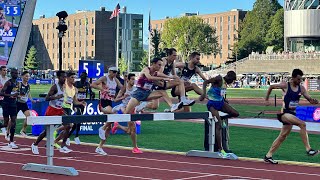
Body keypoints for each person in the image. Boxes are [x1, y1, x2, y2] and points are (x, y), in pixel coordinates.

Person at [264, 69, 319, 164]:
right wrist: (267, 99)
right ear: (293, 78)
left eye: (301, 79)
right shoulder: (286, 85)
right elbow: (271, 86)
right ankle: (308, 149)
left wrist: (314, 101)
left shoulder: (301, 88)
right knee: (302, 124)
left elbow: (309, 99)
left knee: (282, 136)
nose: (299, 81)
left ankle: (268, 155)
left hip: (292, 114)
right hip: (284, 114)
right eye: (298, 79)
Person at [199, 71, 239, 155]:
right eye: (232, 80)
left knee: (235, 113)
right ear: (229, 77)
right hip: (212, 104)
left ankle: (222, 118)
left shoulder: (225, 84)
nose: (232, 82)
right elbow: (205, 82)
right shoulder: (219, 78)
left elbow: (221, 93)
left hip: (220, 103)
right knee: (219, 126)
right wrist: (203, 94)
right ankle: (220, 149)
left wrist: (224, 100)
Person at [31, 71, 66, 154]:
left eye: (65, 77)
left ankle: (61, 144)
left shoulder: (63, 86)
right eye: (62, 77)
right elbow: (46, 98)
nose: (64, 78)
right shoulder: (55, 87)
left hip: (59, 109)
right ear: (58, 77)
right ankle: (35, 144)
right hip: (52, 109)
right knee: (47, 131)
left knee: (69, 125)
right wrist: (56, 97)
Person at [91, 66, 123, 155]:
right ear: (109, 71)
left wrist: (126, 91)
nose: (115, 73)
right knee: (114, 113)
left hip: (110, 102)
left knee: (109, 127)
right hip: (103, 102)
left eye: (116, 72)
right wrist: (102, 89)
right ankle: (102, 128)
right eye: (113, 72)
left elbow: (121, 87)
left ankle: (100, 147)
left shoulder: (115, 80)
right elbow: (93, 84)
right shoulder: (105, 78)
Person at [53, 71, 86, 152]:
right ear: (67, 78)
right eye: (72, 77)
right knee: (69, 125)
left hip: (68, 108)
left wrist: (81, 103)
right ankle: (62, 144)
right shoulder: (64, 86)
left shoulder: (75, 89)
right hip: (62, 107)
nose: (73, 79)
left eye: (74, 77)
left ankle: (55, 141)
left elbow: (75, 101)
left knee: (68, 127)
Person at [66, 71, 94, 145]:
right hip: (76, 103)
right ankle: (74, 136)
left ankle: (72, 136)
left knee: (79, 121)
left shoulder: (87, 84)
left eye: (84, 76)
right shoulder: (76, 83)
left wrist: (91, 96)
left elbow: (91, 92)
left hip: (82, 103)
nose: (83, 78)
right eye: (82, 76)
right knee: (78, 116)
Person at [0, 68, 19, 148]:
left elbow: (15, 92)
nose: (16, 74)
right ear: (11, 74)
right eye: (14, 73)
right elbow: (1, 93)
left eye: (17, 73)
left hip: (13, 104)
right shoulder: (8, 83)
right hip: (6, 104)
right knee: (5, 123)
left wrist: (19, 94)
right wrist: (10, 95)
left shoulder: (17, 83)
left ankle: (11, 141)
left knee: (14, 122)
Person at [18, 71, 37, 137]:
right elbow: (14, 92)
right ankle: (8, 131)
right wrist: (19, 95)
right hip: (17, 103)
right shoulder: (19, 84)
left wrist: (31, 100)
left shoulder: (28, 85)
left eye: (28, 76)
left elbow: (28, 93)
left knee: (28, 117)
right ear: (22, 76)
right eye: (26, 76)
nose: (27, 77)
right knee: (13, 119)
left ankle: (23, 130)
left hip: (24, 103)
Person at [0, 66, 8, 136]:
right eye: (4, 70)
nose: (5, 72)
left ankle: (3, 126)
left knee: (5, 113)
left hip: (4, 99)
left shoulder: (7, 80)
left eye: (6, 70)